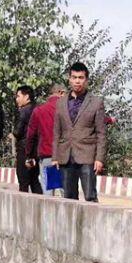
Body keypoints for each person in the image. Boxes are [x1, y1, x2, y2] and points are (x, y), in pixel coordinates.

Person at [52, 62, 107, 202]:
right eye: (74, 77)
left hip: (87, 156)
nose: (77, 81)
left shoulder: (96, 102)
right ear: (69, 79)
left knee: (90, 196)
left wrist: (99, 158)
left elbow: (101, 133)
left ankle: (92, 217)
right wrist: (54, 157)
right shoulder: (60, 103)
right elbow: (56, 132)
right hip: (65, 156)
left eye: (81, 78)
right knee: (68, 198)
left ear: (86, 80)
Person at [25, 83, 66, 195]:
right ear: (61, 93)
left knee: (48, 193)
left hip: (47, 156)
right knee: (66, 194)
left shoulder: (39, 110)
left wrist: (29, 155)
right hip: (64, 156)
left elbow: (30, 135)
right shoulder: (66, 109)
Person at [13, 85, 42, 194]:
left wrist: (13, 134)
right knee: (34, 180)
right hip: (36, 150)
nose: (17, 99)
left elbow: (18, 131)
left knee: (23, 181)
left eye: (18, 96)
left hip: (24, 149)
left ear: (26, 97)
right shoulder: (38, 109)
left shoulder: (24, 111)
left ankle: (22, 204)